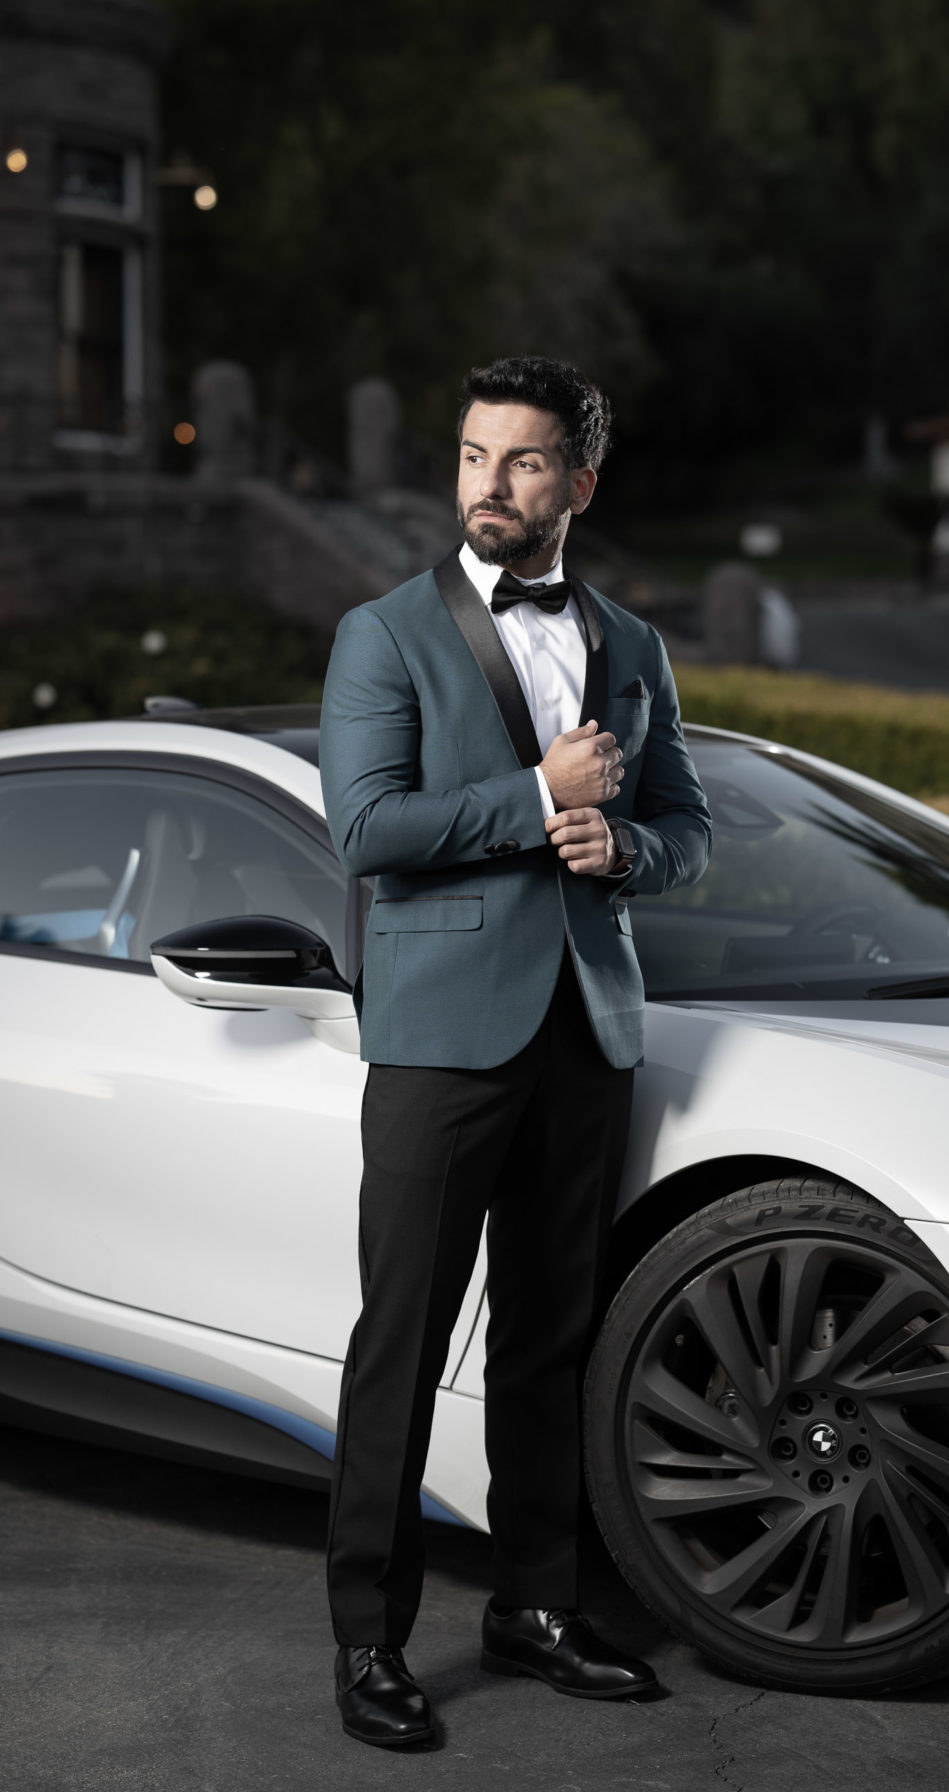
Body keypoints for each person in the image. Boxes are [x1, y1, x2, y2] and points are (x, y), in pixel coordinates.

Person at [319, 354, 711, 1749]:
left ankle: (534, 1608)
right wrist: (535, 797)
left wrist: (629, 846)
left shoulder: (636, 649)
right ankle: (368, 1638)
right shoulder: (383, 635)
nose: (491, 483)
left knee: (551, 1342)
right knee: (403, 1344)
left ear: (579, 485)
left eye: (525, 461)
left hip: (587, 1032)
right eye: (476, 455)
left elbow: (690, 827)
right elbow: (366, 833)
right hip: (437, 1042)